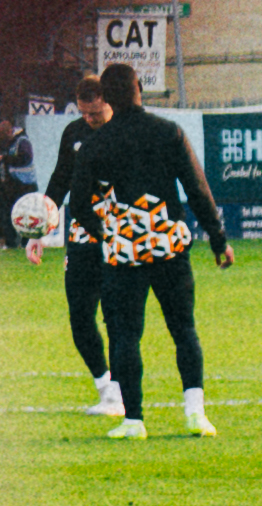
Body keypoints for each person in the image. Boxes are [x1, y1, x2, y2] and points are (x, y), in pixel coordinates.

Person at [67, 61, 232, 438]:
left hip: (124, 249)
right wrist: (218, 238)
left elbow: (78, 205)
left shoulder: (95, 144)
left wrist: (107, 233)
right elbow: (197, 189)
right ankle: (195, 413)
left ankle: (133, 420)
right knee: (184, 329)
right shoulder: (169, 132)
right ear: (140, 89)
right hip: (169, 243)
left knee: (125, 335)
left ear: (106, 98)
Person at [29, 80, 119, 418]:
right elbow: (60, 178)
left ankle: (122, 392)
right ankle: (106, 390)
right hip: (82, 234)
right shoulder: (74, 133)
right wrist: (38, 230)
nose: (90, 119)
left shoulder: (127, 131)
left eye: (95, 113)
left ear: (108, 102)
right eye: (84, 113)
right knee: (80, 316)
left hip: (121, 234)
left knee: (117, 317)